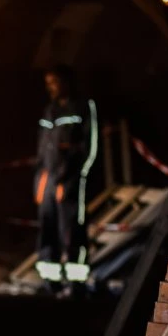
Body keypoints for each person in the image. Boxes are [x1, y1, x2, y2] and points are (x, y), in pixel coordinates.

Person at [33, 65, 98, 295]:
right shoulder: (50, 110)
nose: (51, 88)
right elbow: (42, 147)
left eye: (55, 82)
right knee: (47, 227)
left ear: (66, 82)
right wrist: (40, 178)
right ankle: (50, 280)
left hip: (70, 179)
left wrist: (77, 175)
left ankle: (76, 281)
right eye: (48, 83)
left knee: (72, 229)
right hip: (48, 179)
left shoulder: (82, 107)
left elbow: (90, 146)